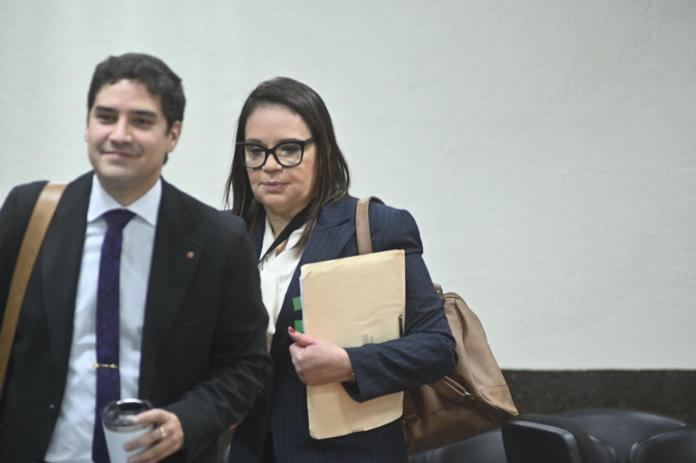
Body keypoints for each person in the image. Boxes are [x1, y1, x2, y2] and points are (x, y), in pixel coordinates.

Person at [0, 53, 271, 463]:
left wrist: (187, 420)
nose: (119, 134)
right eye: (106, 117)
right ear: (88, 124)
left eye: (141, 121)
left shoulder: (218, 239)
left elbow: (246, 364)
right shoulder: (30, 213)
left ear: (173, 135)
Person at [225, 77, 457, 462]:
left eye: (289, 149)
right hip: (252, 449)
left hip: (350, 451)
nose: (269, 166)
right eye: (255, 151)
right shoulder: (230, 235)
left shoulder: (376, 226)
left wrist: (349, 364)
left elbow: (437, 347)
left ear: (324, 151)